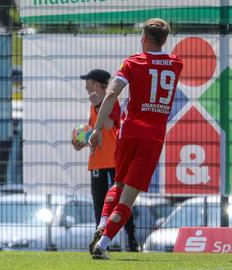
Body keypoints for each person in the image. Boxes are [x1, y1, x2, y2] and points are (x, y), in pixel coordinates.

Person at [88, 18, 183, 260]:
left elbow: (111, 94)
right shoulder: (176, 64)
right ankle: (104, 243)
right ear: (164, 39)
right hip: (153, 137)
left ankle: (101, 224)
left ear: (143, 38)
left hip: (128, 132)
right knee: (129, 197)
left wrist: (97, 130)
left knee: (118, 185)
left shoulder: (133, 62)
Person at [73, 69, 139, 253]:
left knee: (122, 201)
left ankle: (132, 242)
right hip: (97, 161)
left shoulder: (111, 103)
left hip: (115, 160)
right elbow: (94, 131)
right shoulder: (94, 105)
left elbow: (110, 125)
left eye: (88, 81)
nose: (85, 85)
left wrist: (97, 105)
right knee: (99, 205)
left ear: (95, 83)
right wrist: (82, 142)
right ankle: (100, 242)